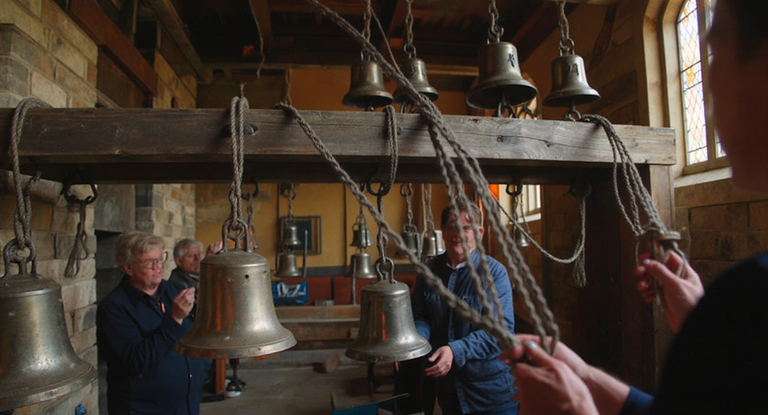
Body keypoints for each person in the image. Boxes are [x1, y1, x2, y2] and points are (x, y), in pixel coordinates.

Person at [504, 0, 768, 413]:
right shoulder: (742, 309)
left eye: (717, 51)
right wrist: (586, 377)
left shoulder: (748, 298)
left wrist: (576, 409)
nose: (710, 78)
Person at [411, 199, 518, 415]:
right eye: (451, 226)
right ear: (442, 231)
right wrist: (412, 345)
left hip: (491, 394)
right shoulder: (428, 272)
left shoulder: (495, 274)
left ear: (479, 232)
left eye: (465, 227)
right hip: (450, 393)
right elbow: (421, 318)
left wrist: (455, 350)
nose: (456, 233)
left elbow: (500, 332)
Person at [97, 231, 201, 415]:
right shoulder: (114, 308)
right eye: (149, 262)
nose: (158, 267)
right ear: (128, 267)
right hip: (143, 408)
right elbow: (138, 361)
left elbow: (195, 332)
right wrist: (175, 319)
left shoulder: (174, 290)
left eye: (160, 259)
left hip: (184, 404)